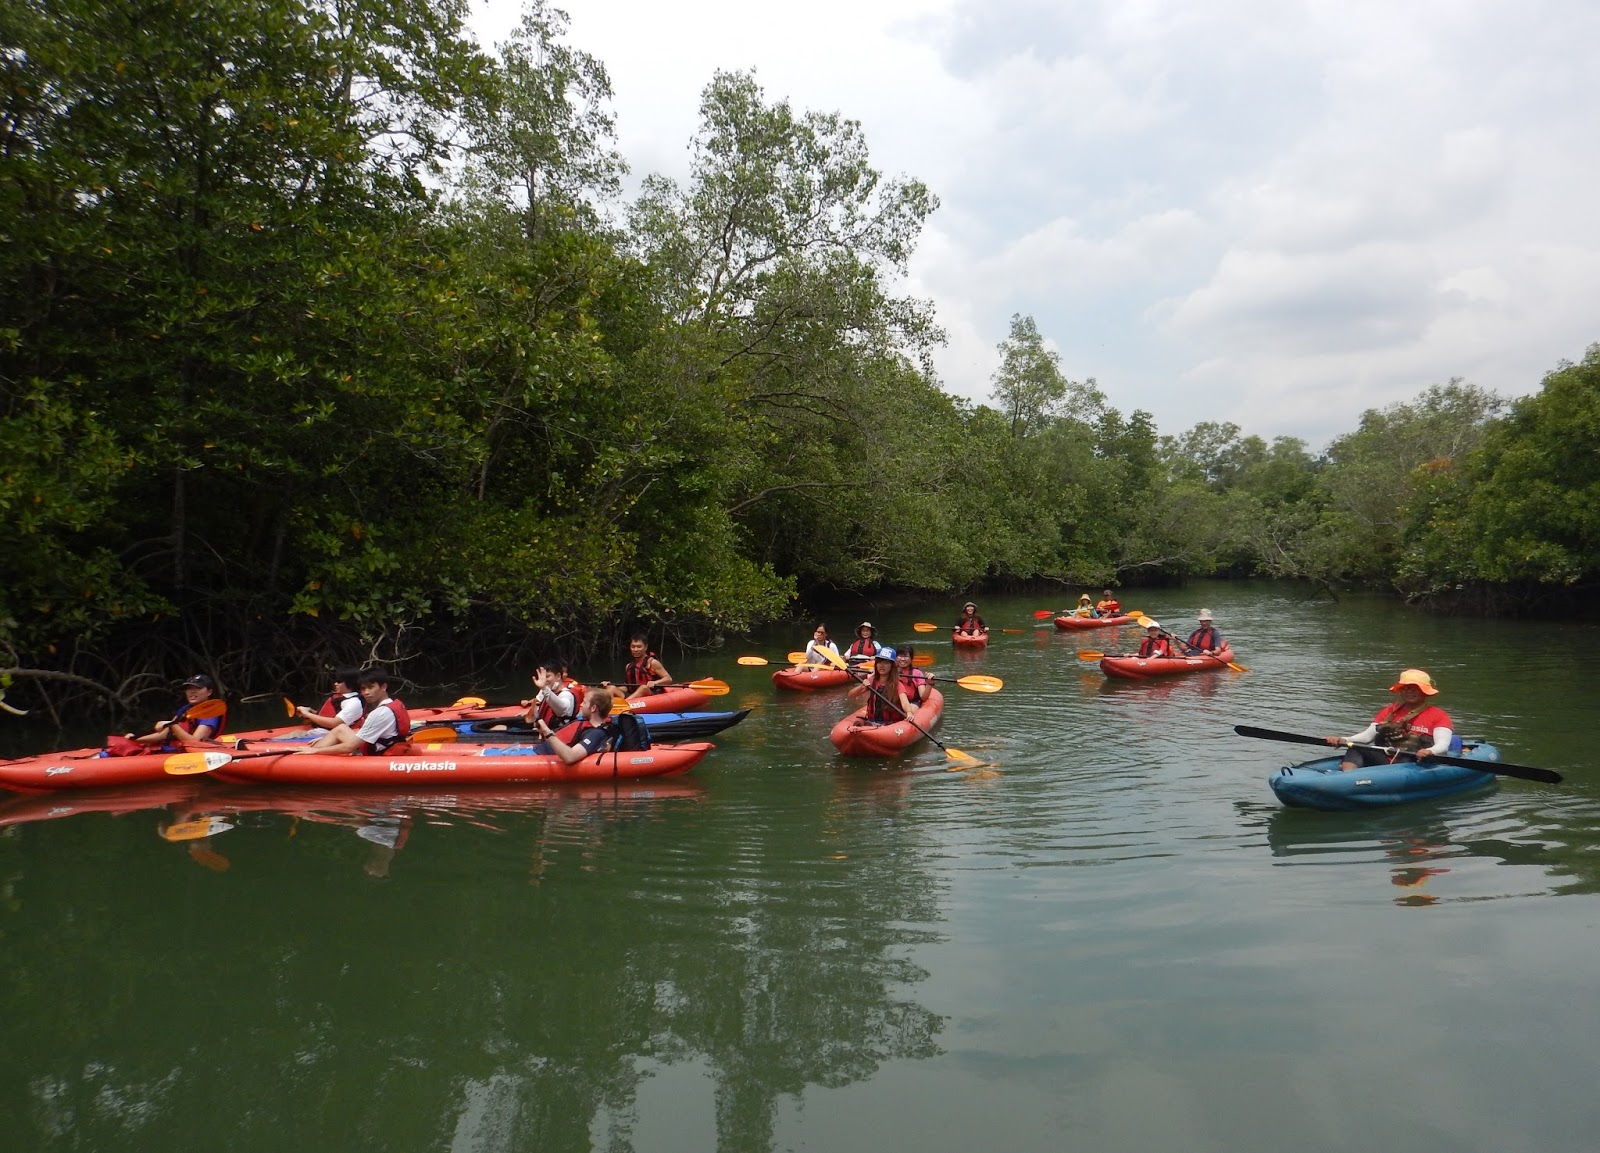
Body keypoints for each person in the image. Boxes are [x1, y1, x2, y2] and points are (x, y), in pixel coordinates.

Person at [1325, 669, 1455, 770]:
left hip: (1414, 760)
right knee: (1355, 747)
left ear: (1424, 691)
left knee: (1407, 758)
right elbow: (1366, 737)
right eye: (1405, 688)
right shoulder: (1389, 711)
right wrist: (1343, 740)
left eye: (1415, 688)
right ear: (1400, 691)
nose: (1409, 691)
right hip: (1386, 756)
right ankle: (1348, 778)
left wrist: (1429, 751)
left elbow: (1442, 745)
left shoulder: (1439, 715)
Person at [303, 667, 410, 755]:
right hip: (389, 744)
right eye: (363, 689)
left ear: (383, 687)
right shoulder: (392, 704)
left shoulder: (380, 713)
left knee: (338, 731)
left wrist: (316, 750)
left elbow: (350, 747)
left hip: (379, 752)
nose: (366, 692)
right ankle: (321, 744)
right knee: (341, 728)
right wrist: (328, 739)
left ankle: (307, 755)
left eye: (371, 687)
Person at [127, 674, 227, 747]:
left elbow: (195, 742)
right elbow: (165, 734)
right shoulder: (185, 709)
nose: (192, 691)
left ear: (209, 692)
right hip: (172, 747)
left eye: (198, 688)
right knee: (123, 743)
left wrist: (172, 724)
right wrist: (136, 739)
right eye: (189, 688)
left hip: (190, 752)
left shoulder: (210, 712)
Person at [537, 688, 620, 765]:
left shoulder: (597, 734)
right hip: (539, 751)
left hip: (539, 756)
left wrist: (547, 732)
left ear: (593, 708)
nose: (580, 704)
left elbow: (570, 757)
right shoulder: (586, 723)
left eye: (584, 702)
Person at [847, 648, 911, 723]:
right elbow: (851, 695)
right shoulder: (872, 681)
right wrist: (861, 687)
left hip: (891, 723)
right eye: (879, 662)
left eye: (886, 663)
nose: (882, 666)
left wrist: (909, 712)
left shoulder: (897, 684)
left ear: (892, 666)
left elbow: (905, 703)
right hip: (872, 721)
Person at [603, 636, 672, 701]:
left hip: (650, 695)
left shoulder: (652, 663)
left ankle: (626, 704)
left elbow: (668, 679)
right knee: (611, 688)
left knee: (643, 688)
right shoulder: (628, 666)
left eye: (639, 647)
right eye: (633, 647)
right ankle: (609, 707)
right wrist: (611, 685)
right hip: (634, 696)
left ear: (646, 647)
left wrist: (655, 682)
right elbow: (627, 687)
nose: (635, 650)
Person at [297, 667, 365, 730]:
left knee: (294, 735)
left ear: (350, 682)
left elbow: (334, 723)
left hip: (329, 734)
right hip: (320, 730)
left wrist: (308, 714)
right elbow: (330, 716)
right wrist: (311, 711)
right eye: (335, 681)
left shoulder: (353, 702)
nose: (335, 684)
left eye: (339, 681)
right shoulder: (342, 698)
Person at [521, 660, 577, 729]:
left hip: (555, 734)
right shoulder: (547, 692)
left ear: (558, 676)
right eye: (543, 677)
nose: (544, 680)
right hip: (539, 729)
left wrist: (544, 688)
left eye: (547, 676)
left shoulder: (566, 695)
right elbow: (533, 718)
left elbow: (562, 710)